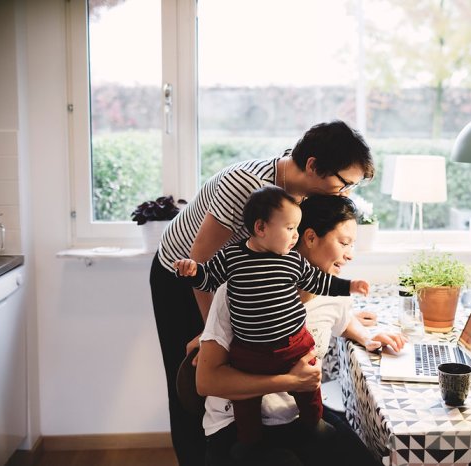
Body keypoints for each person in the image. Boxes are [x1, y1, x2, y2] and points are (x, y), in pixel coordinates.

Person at [149, 120, 374, 466]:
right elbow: (200, 260)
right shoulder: (246, 185)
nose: (345, 193)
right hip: (182, 272)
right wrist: (211, 333)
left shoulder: (303, 191)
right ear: (313, 165)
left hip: (227, 273)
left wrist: (338, 314)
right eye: (344, 183)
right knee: (190, 382)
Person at [196, 195, 407, 466]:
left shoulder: (334, 293)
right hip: (236, 425)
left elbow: (342, 320)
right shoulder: (240, 290)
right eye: (343, 243)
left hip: (297, 416)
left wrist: (367, 336)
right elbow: (206, 382)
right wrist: (290, 382)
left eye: (352, 245)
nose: (350, 254)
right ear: (309, 237)